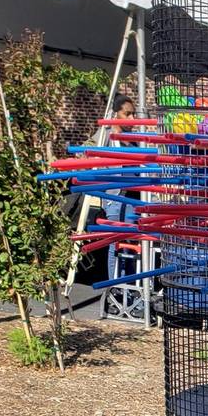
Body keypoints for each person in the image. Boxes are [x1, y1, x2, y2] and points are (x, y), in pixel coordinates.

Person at [84, 94, 137, 280]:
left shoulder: (134, 139)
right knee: (117, 242)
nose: (132, 119)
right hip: (115, 197)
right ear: (115, 114)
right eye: (127, 114)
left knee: (132, 244)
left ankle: (129, 288)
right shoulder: (106, 134)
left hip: (134, 199)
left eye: (133, 114)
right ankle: (116, 288)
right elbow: (87, 152)